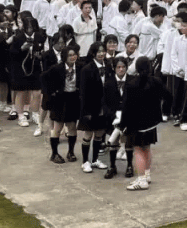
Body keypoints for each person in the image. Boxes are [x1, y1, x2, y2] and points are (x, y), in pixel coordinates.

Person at [122, 56, 170, 190]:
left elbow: (126, 107)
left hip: (137, 123)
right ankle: (147, 175)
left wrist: (123, 124)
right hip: (152, 123)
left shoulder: (131, 84)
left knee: (138, 150)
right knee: (147, 148)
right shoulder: (156, 82)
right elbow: (168, 96)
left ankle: (142, 179)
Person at [41, 44, 81, 163]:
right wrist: (51, 92)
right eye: (69, 55)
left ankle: (71, 152)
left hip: (73, 99)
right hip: (60, 100)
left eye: (74, 55)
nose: (72, 57)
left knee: (72, 127)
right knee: (57, 127)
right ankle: (54, 153)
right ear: (64, 57)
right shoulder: (57, 68)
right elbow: (43, 77)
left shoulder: (79, 67)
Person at [77, 42, 110, 173]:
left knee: (100, 133)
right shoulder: (87, 69)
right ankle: (85, 161)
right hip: (90, 108)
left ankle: (95, 160)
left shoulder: (108, 66)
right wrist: (86, 111)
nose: (101, 54)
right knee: (88, 134)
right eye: (99, 51)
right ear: (93, 53)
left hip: (104, 106)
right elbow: (83, 93)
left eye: (103, 51)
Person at [102, 56, 133, 179]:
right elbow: (105, 102)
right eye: (118, 67)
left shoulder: (132, 81)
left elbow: (134, 100)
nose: (121, 69)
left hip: (128, 116)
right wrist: (112, 116)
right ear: (114, 68)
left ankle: (130, 165)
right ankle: (112, 166)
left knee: (128, 141)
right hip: (113, 117)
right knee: (113, 142)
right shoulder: (108, 83)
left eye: (123, 67)